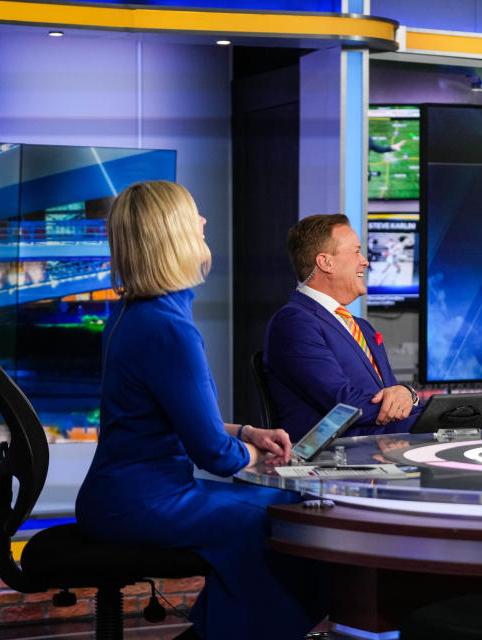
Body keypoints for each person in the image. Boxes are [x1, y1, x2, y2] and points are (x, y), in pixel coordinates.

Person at [75, 181, 321, 640]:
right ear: (170, 235)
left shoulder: (132, 314)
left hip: (122, 495)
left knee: (288, 507)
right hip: (142, 503)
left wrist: (246, 432)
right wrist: (262, 457)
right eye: (195, 215)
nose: (205, 222)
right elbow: (215, 455)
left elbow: (160, 416)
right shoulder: (169, 329)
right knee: (290, 521)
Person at [264, 214, 421, 440]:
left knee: (467, 422)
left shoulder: (362, 328)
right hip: (336, 458)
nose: (365, 261)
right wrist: (413, 406)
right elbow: (342, 405)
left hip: (383, 447)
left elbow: (391, 395)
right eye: (356, 252)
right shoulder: (293, 322)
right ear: (326, 262)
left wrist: (408, 394)